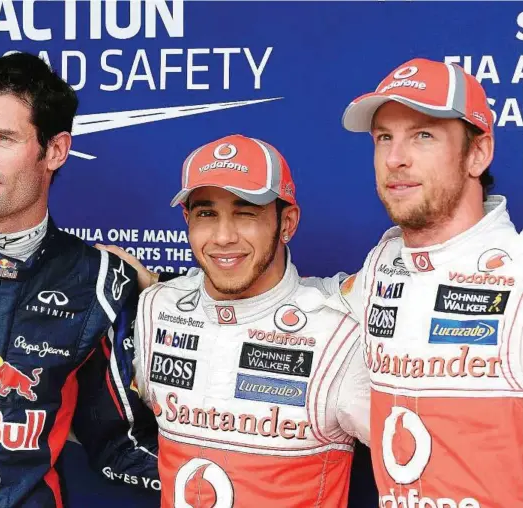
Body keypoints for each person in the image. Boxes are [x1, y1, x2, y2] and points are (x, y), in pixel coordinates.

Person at [0, 52, 158, 507]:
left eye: (3, 138)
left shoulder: (100, 281)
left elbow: (118, 441)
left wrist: (239, 482)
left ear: (54, 150)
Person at [102, 134, 370, 507]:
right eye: (206, 214)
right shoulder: (156, 308)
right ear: (187, 220)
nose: (223, 237)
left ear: (287, 222)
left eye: (246, 213)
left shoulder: (339, 331)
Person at [338, 57, 523, 507]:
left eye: (423, 135)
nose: (396, 158)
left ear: (477, 153)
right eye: (385, 138)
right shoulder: (383, 263)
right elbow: (309, 306)